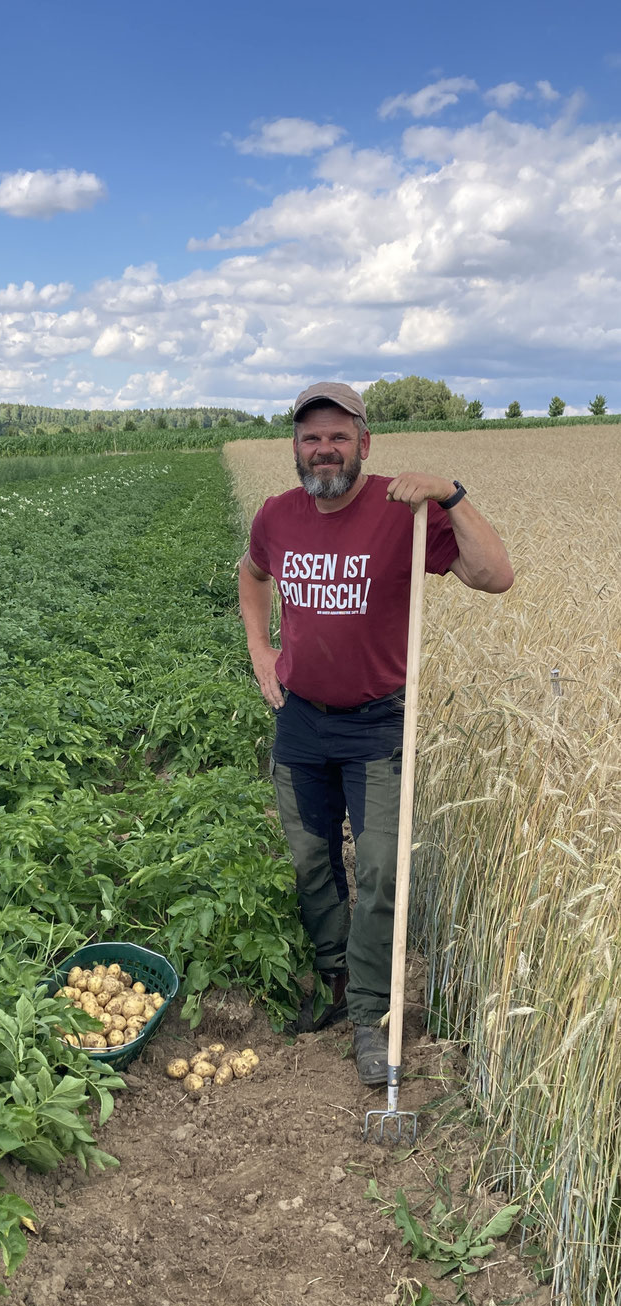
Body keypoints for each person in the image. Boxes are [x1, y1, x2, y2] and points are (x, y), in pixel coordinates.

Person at [239, 382, 514, 1085]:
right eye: (310, 437)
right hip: (301, 720)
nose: (322, 448)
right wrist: (261, 651)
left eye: (337, 436)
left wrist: (451, 495)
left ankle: (370, 1013)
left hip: (377, 724)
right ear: (295, 448)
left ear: (365, 443)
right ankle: (334, 979)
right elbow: (251, 572)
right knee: (310, 860)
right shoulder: (277, 515)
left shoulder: (403, 512)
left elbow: (496, 576)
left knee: (382, 870)